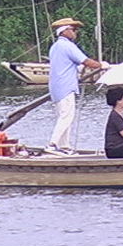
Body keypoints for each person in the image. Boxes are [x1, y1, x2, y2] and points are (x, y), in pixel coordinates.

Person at [47, 17, 109, 151]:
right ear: (64, 31)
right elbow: (86, 61)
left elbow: (68, 64)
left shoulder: (55, 47)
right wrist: (102, 65)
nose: (76, 33)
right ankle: (52, 144)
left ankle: (64, 145)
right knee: (66, 116)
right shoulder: (68, 46)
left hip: (56, 87)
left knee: (64, 115)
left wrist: (79, 69)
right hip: (65, 86)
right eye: (73, 30)